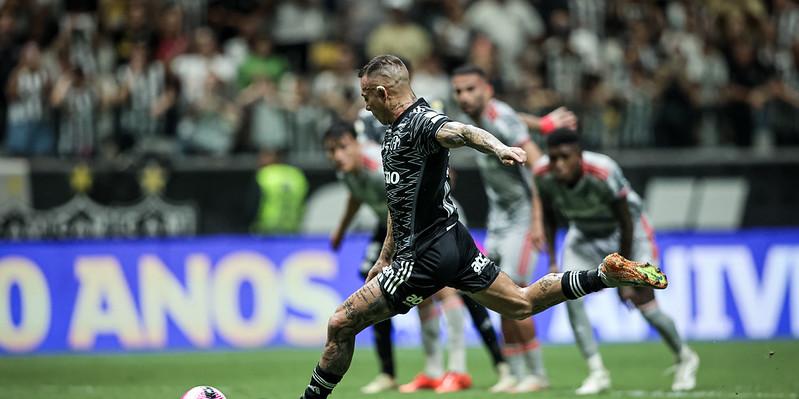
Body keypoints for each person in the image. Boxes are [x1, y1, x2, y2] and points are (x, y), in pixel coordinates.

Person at [298, 55, 668, 399]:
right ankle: (604, 274)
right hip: (452, 241)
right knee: (521, 304)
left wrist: (498, 148)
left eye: (367, 97)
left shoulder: (419, 122)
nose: (364, 105)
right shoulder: (395, 131)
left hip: (424, 255)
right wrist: (384, 257)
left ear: (383, 93)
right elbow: (399, 201)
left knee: (340, 323)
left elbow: (462, 132)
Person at [322, 121, 506, 394]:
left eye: (342, 147)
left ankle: (460, 370)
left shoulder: (378, 167)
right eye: (331, 150)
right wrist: (341, 228)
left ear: (357, 143)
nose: (337, 155)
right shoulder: (347, 172)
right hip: (406, 231)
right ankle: (433, 371)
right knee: (422, 296)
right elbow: (356, 196)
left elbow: (410, 199)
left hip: (438, 225)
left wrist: (389, 253)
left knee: (452, 293)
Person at [534, 128, 699, 394]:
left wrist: (624, 279)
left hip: (627, 233)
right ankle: (597, 372)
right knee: (569, 295)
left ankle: (685, 356)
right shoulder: (542, 174)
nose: (558, 164)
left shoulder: (603, 171)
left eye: (564, 157)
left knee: (643, 301)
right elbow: (550, 216)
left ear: (579, 155)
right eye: (553, 158)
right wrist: (553, 260)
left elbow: (625, 219)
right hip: (584, 233)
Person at [450, 64, 577, 393]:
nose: (464, 96)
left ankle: (536, 373)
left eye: (470, 89)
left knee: (517, 294)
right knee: (496, 296)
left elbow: (539, 167)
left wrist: (537, 221)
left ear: (487, 89)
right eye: (459, 91)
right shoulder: (484, 118)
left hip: (521, 217)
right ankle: (517, 373)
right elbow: (517, 117)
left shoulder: (499, 118)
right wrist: (544, 123)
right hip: (499, 219)